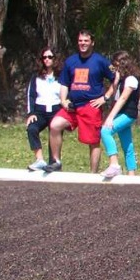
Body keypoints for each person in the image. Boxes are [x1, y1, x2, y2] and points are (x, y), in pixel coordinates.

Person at [45, 30, 116, 173]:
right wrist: (63, 100)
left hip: (91, 106)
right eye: (80, 41)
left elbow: (116, 78)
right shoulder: (71, 61)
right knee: (54, 125)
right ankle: (56, 162)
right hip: (72, 106)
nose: (82, 43)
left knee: (93, 141)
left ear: (92, 43)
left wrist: (105, 98)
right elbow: (64, 83)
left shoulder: (100, 61)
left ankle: (93, 174)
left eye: (86, 41)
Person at [100, 51, 140, 179]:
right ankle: (131, 174)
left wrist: (110, 117)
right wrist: (117, 80)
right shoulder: (122, 80)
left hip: (128, 113)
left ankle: (114, 165)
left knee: (105, 131)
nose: (115, 69)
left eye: (116, 66)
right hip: (123, 113)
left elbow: (123, 99)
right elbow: (115, 96)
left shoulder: (131, 79)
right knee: (127, 144)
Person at [25, 47, 62, 171]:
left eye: (50, 57)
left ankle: (54, 163)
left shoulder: (61, 76)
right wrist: (31, 113)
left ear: (55, 59)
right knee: (32, 128)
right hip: (40, 111)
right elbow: (30, 95)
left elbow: (67, 93)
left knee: (54, 133)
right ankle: (39, 159)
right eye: (44, 57)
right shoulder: (36, 76)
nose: (47, 59)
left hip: (56, 110)